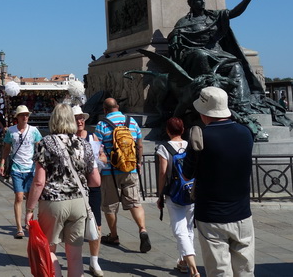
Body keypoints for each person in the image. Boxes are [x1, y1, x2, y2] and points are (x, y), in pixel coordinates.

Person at [182, 86, 254, 276]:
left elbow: (187, 175)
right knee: (245, 270)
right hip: (242, 213)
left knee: (219, 271)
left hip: (211, 215)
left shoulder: (201, 136)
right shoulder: (245, 133)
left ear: (204, 112)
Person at [25, 103, 101, 277]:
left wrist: (29, 209)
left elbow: (39, 182)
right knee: (75, 257)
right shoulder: (84, 144)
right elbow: (96, 181)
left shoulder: (45, 143)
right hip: (79, 203)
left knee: (49, 250)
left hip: (53, 202)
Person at [169, 0, 266, 111]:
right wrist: (174, 40)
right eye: (199, 0)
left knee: (235, 65)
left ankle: (241, 103)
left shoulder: (213, 16)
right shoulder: (183, 22)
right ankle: (209, 98)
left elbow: (233, 13)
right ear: (192, 3)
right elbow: (175, 41)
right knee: (201, 55)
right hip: (195, 55)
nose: (203, 2)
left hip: (217, 53)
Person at [95, 97, 151, 253]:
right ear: (118, 107)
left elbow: (97, 150)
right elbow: (139, 145)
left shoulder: (101, 125)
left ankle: (113, 235)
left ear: (105, 110)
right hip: (130, 169)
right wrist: (138, 163)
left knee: (110, 206)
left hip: (109, 172)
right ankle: (142, 229)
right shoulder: (132, 122)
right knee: (135, 202)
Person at [156, 117, 199, 276]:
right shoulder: (190, 145)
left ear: (168, 130)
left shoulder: (164, 148)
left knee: (179, 230)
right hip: (191, 191)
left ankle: (193, 268)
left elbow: (162, 173)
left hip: (174, 193)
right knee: (188, 229)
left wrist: (160, 194)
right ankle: (182, 262)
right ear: (183, 130)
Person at [0, 105, 43, 239]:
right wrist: (2, 162)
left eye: (27, 115)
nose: (25, 117)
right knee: (19, 197)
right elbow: (7, 147)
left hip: (30, 168)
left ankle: (28, 223)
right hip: (17, 168)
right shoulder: (11, 131)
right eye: (22, 115)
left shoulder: (34, 130)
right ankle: (19, 228)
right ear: (17, 117)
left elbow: (40, 146)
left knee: (31, 199)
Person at [74, 105, 105, 277]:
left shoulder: (92, 137)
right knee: (76, 225)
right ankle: (76, 260)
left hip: (92, 186)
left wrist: (99, 159)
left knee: (96, 225)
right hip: (76, 187)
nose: (80, 121)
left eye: (82, 118)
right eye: (76, 118)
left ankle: (94, 261)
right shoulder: (68, 139)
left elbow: (103, 156)